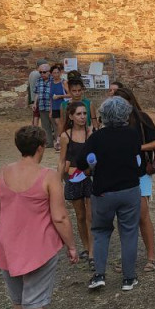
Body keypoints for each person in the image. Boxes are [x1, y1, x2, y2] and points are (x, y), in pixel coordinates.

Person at [0, 126, 78, 309]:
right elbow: (59, 217)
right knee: (34, 304)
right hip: (39, 248)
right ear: (41, 148)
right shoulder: (48, 176)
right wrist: (71, 245)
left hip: (7, 245)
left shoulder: (3, 173)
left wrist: (0, 238)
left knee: (19, 301)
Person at [75, 96, 144, 291]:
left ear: (104, 115)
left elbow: (80, 162)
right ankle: (129, 278)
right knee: (129, 233)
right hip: (129, 189)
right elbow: (137, 156)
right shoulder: (132, 134)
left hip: (103, 191)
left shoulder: (97, 137)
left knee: (101, 233)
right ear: (125, 114)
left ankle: (99, 275)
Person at [113, 87, 155, 274]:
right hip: (120, 173)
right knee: (125, 218)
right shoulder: (112, 121)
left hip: (140, 173)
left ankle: (151, 256)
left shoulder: (141, 118)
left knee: (142, 215)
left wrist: (137, 148)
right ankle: (127, 258)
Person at [58, 101, 94, 267]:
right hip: (73, 178)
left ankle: (93, 251)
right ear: (71, 116)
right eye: (79, 114)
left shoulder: (91, 133)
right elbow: (62, 160)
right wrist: (57, 181)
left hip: (90, 177)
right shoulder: (66, 136)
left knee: (90, 215)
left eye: (84, 113)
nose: (82, 117)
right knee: (80, 215)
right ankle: (86, 247)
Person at [33, 64, 55, 149]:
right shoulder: (38, 81)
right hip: (42, 106)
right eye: (40, 72)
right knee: (45, 126)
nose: (42, 74)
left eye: (44, 72)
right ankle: (49, 143)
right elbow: (37, 93)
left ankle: (58, 141)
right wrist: (35, 103)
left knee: (55, 125)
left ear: (49, 72)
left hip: (51, 107)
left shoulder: (54, 81)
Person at [49, 65, 67, 150]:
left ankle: (59, 141)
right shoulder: (50, 83)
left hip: (63, 106)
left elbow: (70, 94)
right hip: (55, 107)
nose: (56, 74)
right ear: (51, 74)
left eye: (57, 72)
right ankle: (62, 140)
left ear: (60, 73)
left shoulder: (63, 82)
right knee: (58, 124)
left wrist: (60, 96)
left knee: (61, 124)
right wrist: (51, 110)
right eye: (54, 73)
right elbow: (50, 98)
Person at [27, 59, 45, 127]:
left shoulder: (31, 73)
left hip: (33, 97)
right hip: (38, 97)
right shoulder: (39, 74)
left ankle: (34, 127)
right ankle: (36, 128)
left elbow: (29, 86)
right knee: (38, 115)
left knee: (35, 115)